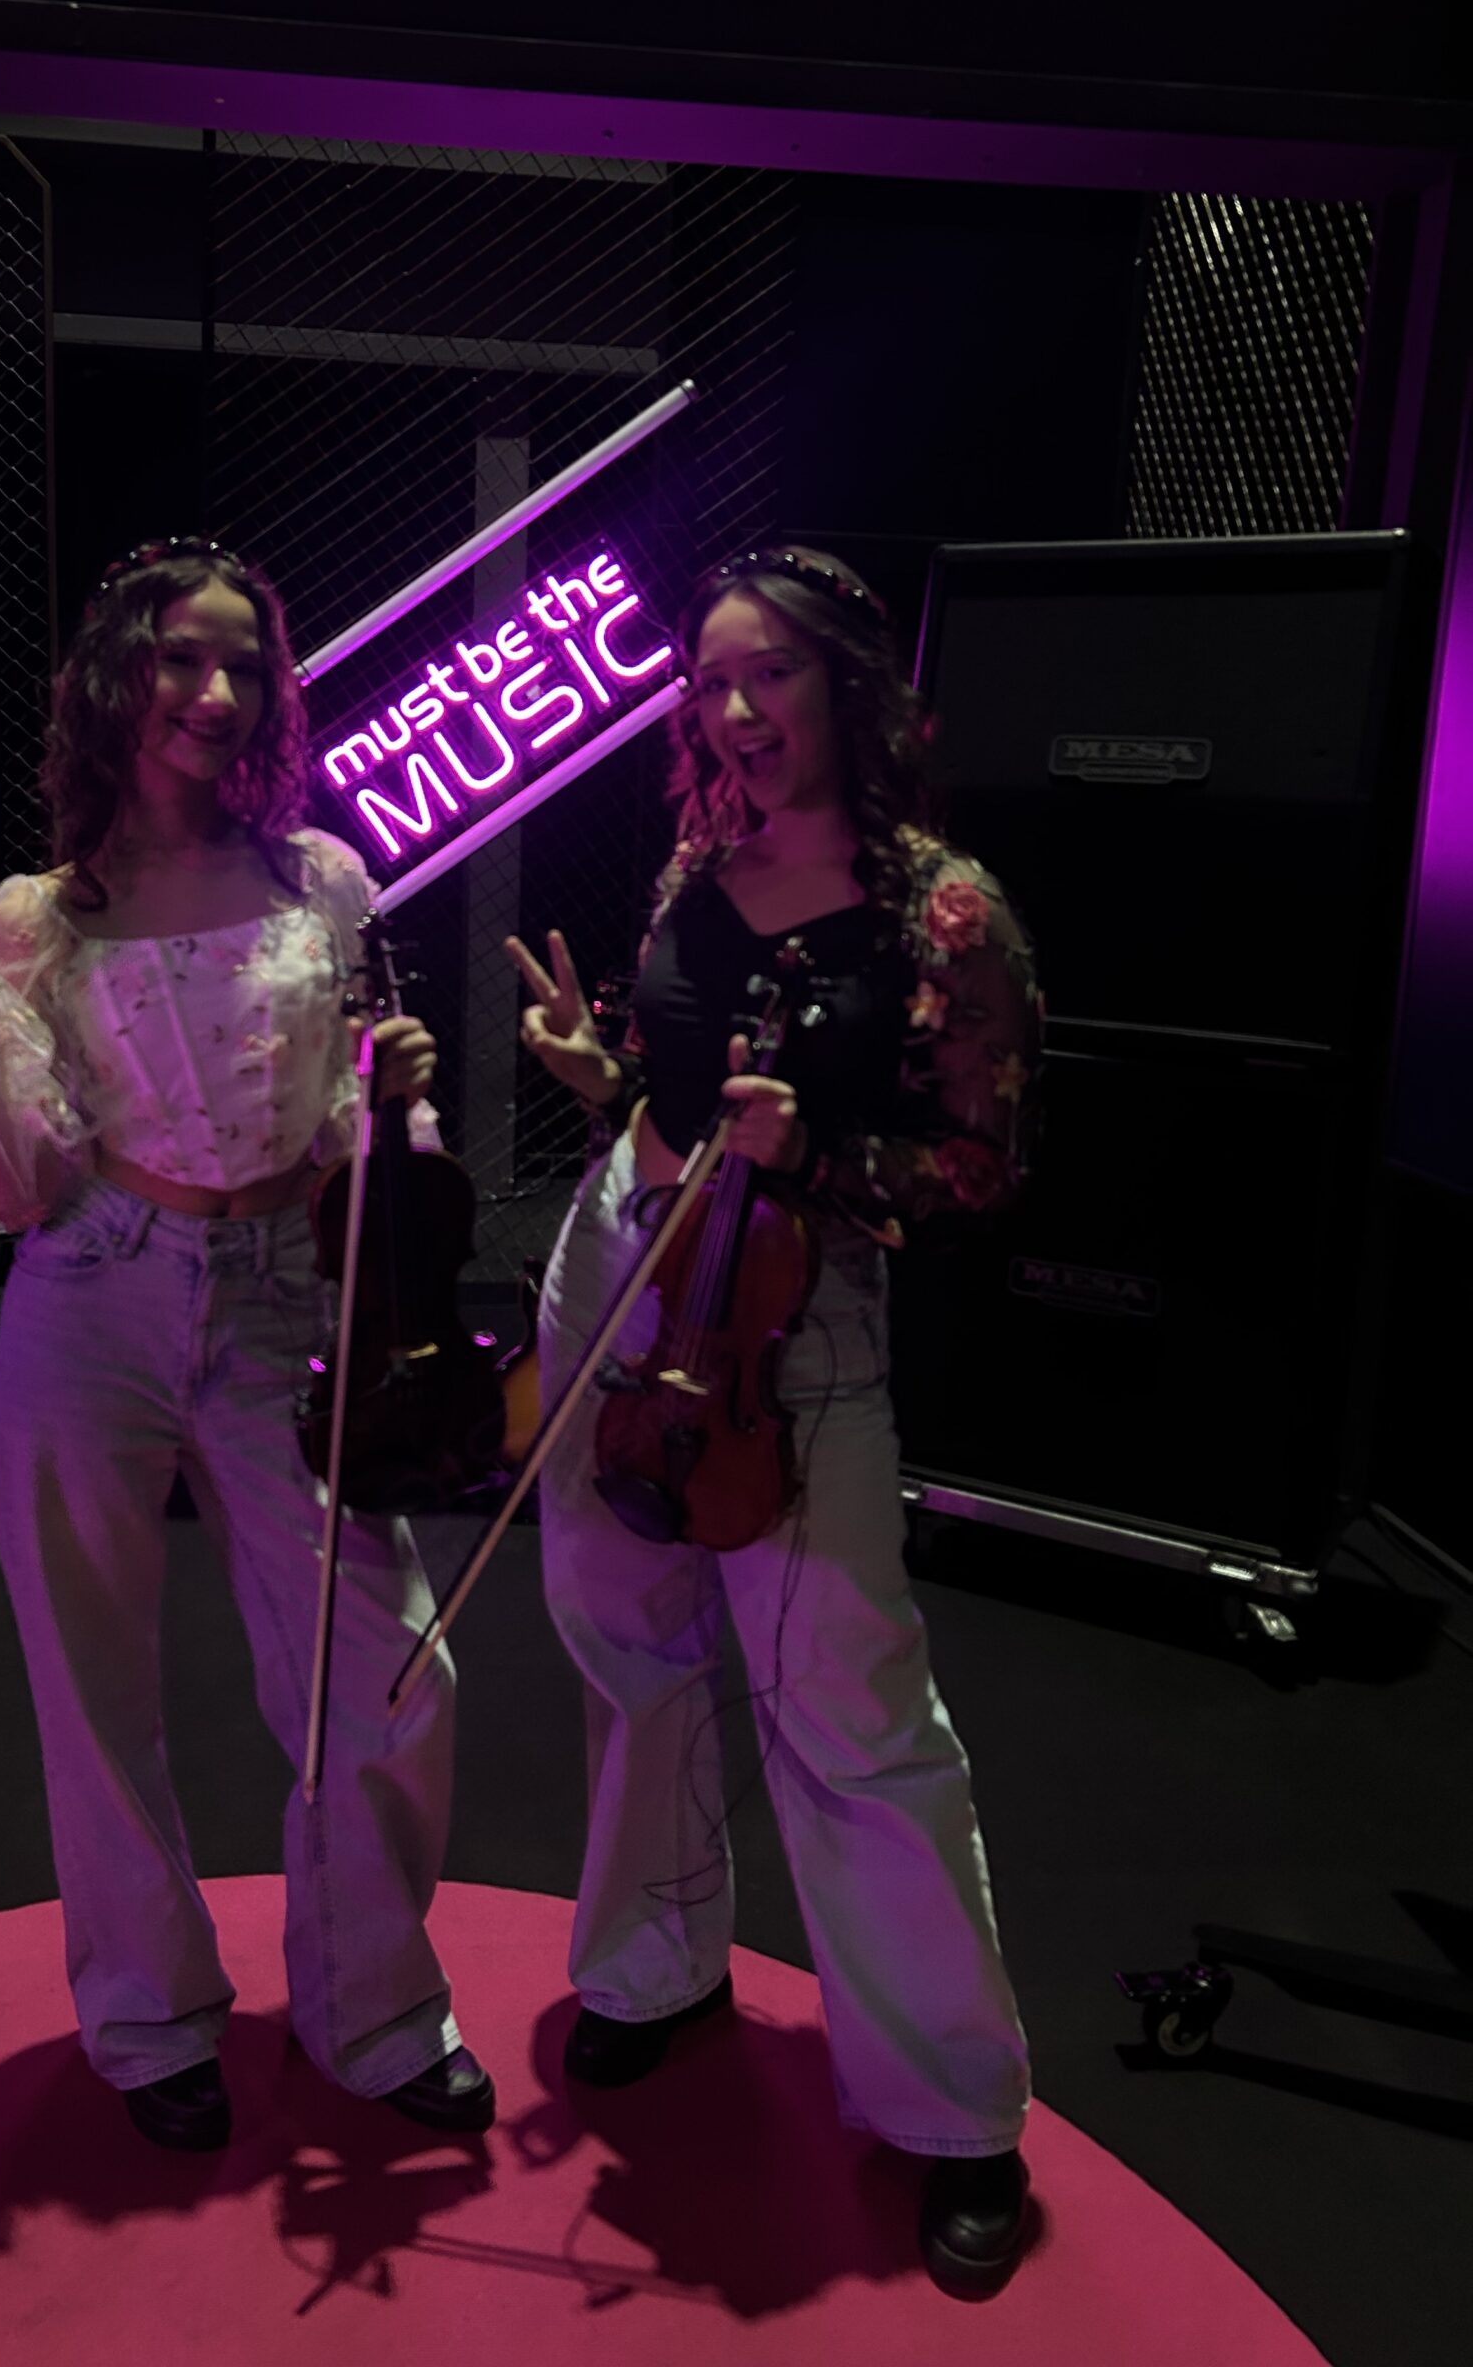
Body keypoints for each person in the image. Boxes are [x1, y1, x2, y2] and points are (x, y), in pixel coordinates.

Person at [0, 535, 492, 2151]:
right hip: (96, 1291)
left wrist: (401, 1106)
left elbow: (358, 1125)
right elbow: (13, 1186)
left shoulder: (323, 880)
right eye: (181, 659)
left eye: (245, 665)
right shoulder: (32, 920)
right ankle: (148, 2015)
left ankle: (375, 2009)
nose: (218, 694)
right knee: (91, 1682)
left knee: (384, 1665)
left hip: (290, 1290)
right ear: (113, 679)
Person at [507, 545, 1040, 2298]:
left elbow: (982, 1168)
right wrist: (601, 1076)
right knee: (625, 1645)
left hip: (792, 1312)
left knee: (853, 1709)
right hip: (620, 1263)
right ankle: (654, 1967)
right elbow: (666, 1077)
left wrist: (817, 1150)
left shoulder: (944, 915)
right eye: (711, 682)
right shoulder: (699, 860)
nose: (735, 711)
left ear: (849, 690)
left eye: (772, 677)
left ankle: (955, 2113)